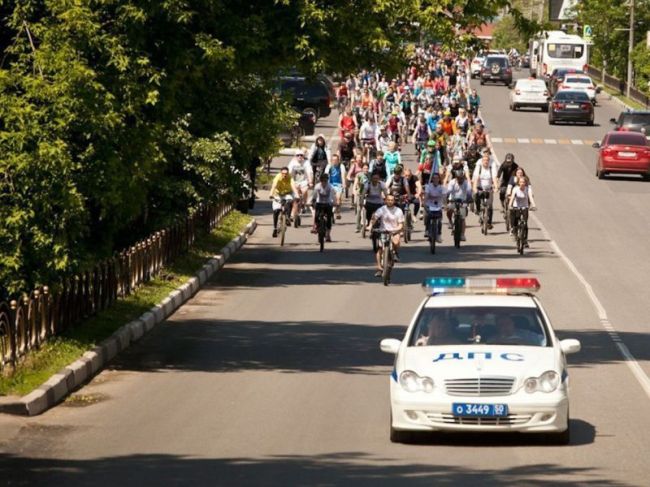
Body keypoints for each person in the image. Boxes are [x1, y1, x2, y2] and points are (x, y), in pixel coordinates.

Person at [367, 194, 404, 277]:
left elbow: (401, 224)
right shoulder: (381, 209)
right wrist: (370, 226)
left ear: (394, 201)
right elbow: (374, 218)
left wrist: (397, 230)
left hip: (394, 231)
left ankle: (395, 253)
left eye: (392, 200)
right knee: (379, 250)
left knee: (396, 241)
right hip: (383, 231)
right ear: (385, 201)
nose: (390, 201)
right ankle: (379, 268)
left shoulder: (398, 211)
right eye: (388, 200)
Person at [471, 152, 499, 229]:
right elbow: (476, 178)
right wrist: (474, 188)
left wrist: (496, 187)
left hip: (488, 188)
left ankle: (489, 223)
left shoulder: (491, 168)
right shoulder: (479, 167)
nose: (485, 162)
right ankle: (478, 209)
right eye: (484, 160)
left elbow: (494, 178)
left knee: (490, 206)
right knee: (476, 196)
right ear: (482, 161)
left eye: (487, 160)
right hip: (480, 187)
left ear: (489, 161)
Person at [508, 175, 536, 246]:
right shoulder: (515, 189)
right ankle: (515, 232)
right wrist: (510, 205)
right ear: (518, 183)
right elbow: (512, 198)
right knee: (516, 222)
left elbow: (530, 197)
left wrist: (533, 205)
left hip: (524, 207)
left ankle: (525, 240)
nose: (522, 183)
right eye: (520, 182)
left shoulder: (527, 189)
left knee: (525, 224)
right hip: (516, 206)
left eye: (523, 182)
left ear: (525, 183)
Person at [269, 166, 298, 238]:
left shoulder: (290, 178)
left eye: (286, 173)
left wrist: (297, 194)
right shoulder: (277, 178)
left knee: (290, 200)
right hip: (278, 194)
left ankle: (287, 217)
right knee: (276, 211)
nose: (284, 175)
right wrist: (270, 194)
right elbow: (273, 186)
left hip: (287, 193)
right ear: (280, 173)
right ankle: (275, 228)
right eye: (283, 173)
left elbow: (293, 187)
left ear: (288, 173)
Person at [446, 169, 472, 240]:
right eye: (458, 178)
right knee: (449, 209)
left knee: (463, 219)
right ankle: (450, 221)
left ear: (463, 177)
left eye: (461, 178)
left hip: (463, 201)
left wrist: (469, 199)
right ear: (456, 177)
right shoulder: (452, 182)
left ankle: (462, 235)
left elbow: (469, 192)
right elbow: (449, 191)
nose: (460, 180)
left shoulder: (467, 183)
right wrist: (447, 198)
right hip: (453, 200)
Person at [421, 173, 446, 243]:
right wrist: (424, 203)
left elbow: (444, 197)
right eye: (434, 178)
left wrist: (445, 205)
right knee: (426, 216)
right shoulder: (428, 187)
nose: (435, 179)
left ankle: (439, 235)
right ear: (432, 179)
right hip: (429, 205)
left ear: (439, 179)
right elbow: (426, 196)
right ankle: (427, 230)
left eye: (437, 178)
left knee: (439, 221)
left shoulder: (442, 187)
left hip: (438, 206)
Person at [287, 149, 313, 215]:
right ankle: (293, 213)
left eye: (301, 155)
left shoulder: (306, 162)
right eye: (298, 155)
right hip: (294, 181)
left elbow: (309, 172)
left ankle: (304, 203)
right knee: (296, 197)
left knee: (304, 191)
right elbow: (289, 172)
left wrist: (310, 181)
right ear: (295, 156)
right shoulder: (292, 163)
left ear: (303, 156)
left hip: (303, 181)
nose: (299, 156)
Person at [311, 173, 335, 241]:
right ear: (320, 181)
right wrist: (313, 202)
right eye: (322, 181)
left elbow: (332, 196)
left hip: (328, 203)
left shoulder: (330, 187)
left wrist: (335, 202)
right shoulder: (317, 186)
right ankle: (316, 226)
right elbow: (314, 196)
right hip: (319, 203)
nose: (324, 182)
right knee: (316, 216)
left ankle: (328, 234)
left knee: (329, 219)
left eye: (325, 181)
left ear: (327, 180)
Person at [324, 154, 347, 219]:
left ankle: (338, 212)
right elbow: (326, 175)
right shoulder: (329, 166)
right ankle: (328, 211)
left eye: (336, 160)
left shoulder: (341, 166)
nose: (334, 161)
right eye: (333, 160)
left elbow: (343, 175)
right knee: (329, 199)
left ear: (338, 160)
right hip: (330, 184)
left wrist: (344, 184)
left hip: (338, 184)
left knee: (338, 198)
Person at [353, 162, 370, 232]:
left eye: (367, 168)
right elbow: (355, 183)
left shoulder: (370, 175)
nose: (366, 170)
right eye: (364, 168)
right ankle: (357, 226)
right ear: (362, 169)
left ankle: (366, 225)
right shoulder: (359, 175)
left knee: (367, 209)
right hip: (359, 194)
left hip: (368, 194)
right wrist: (354, 191)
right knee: (359, 210)